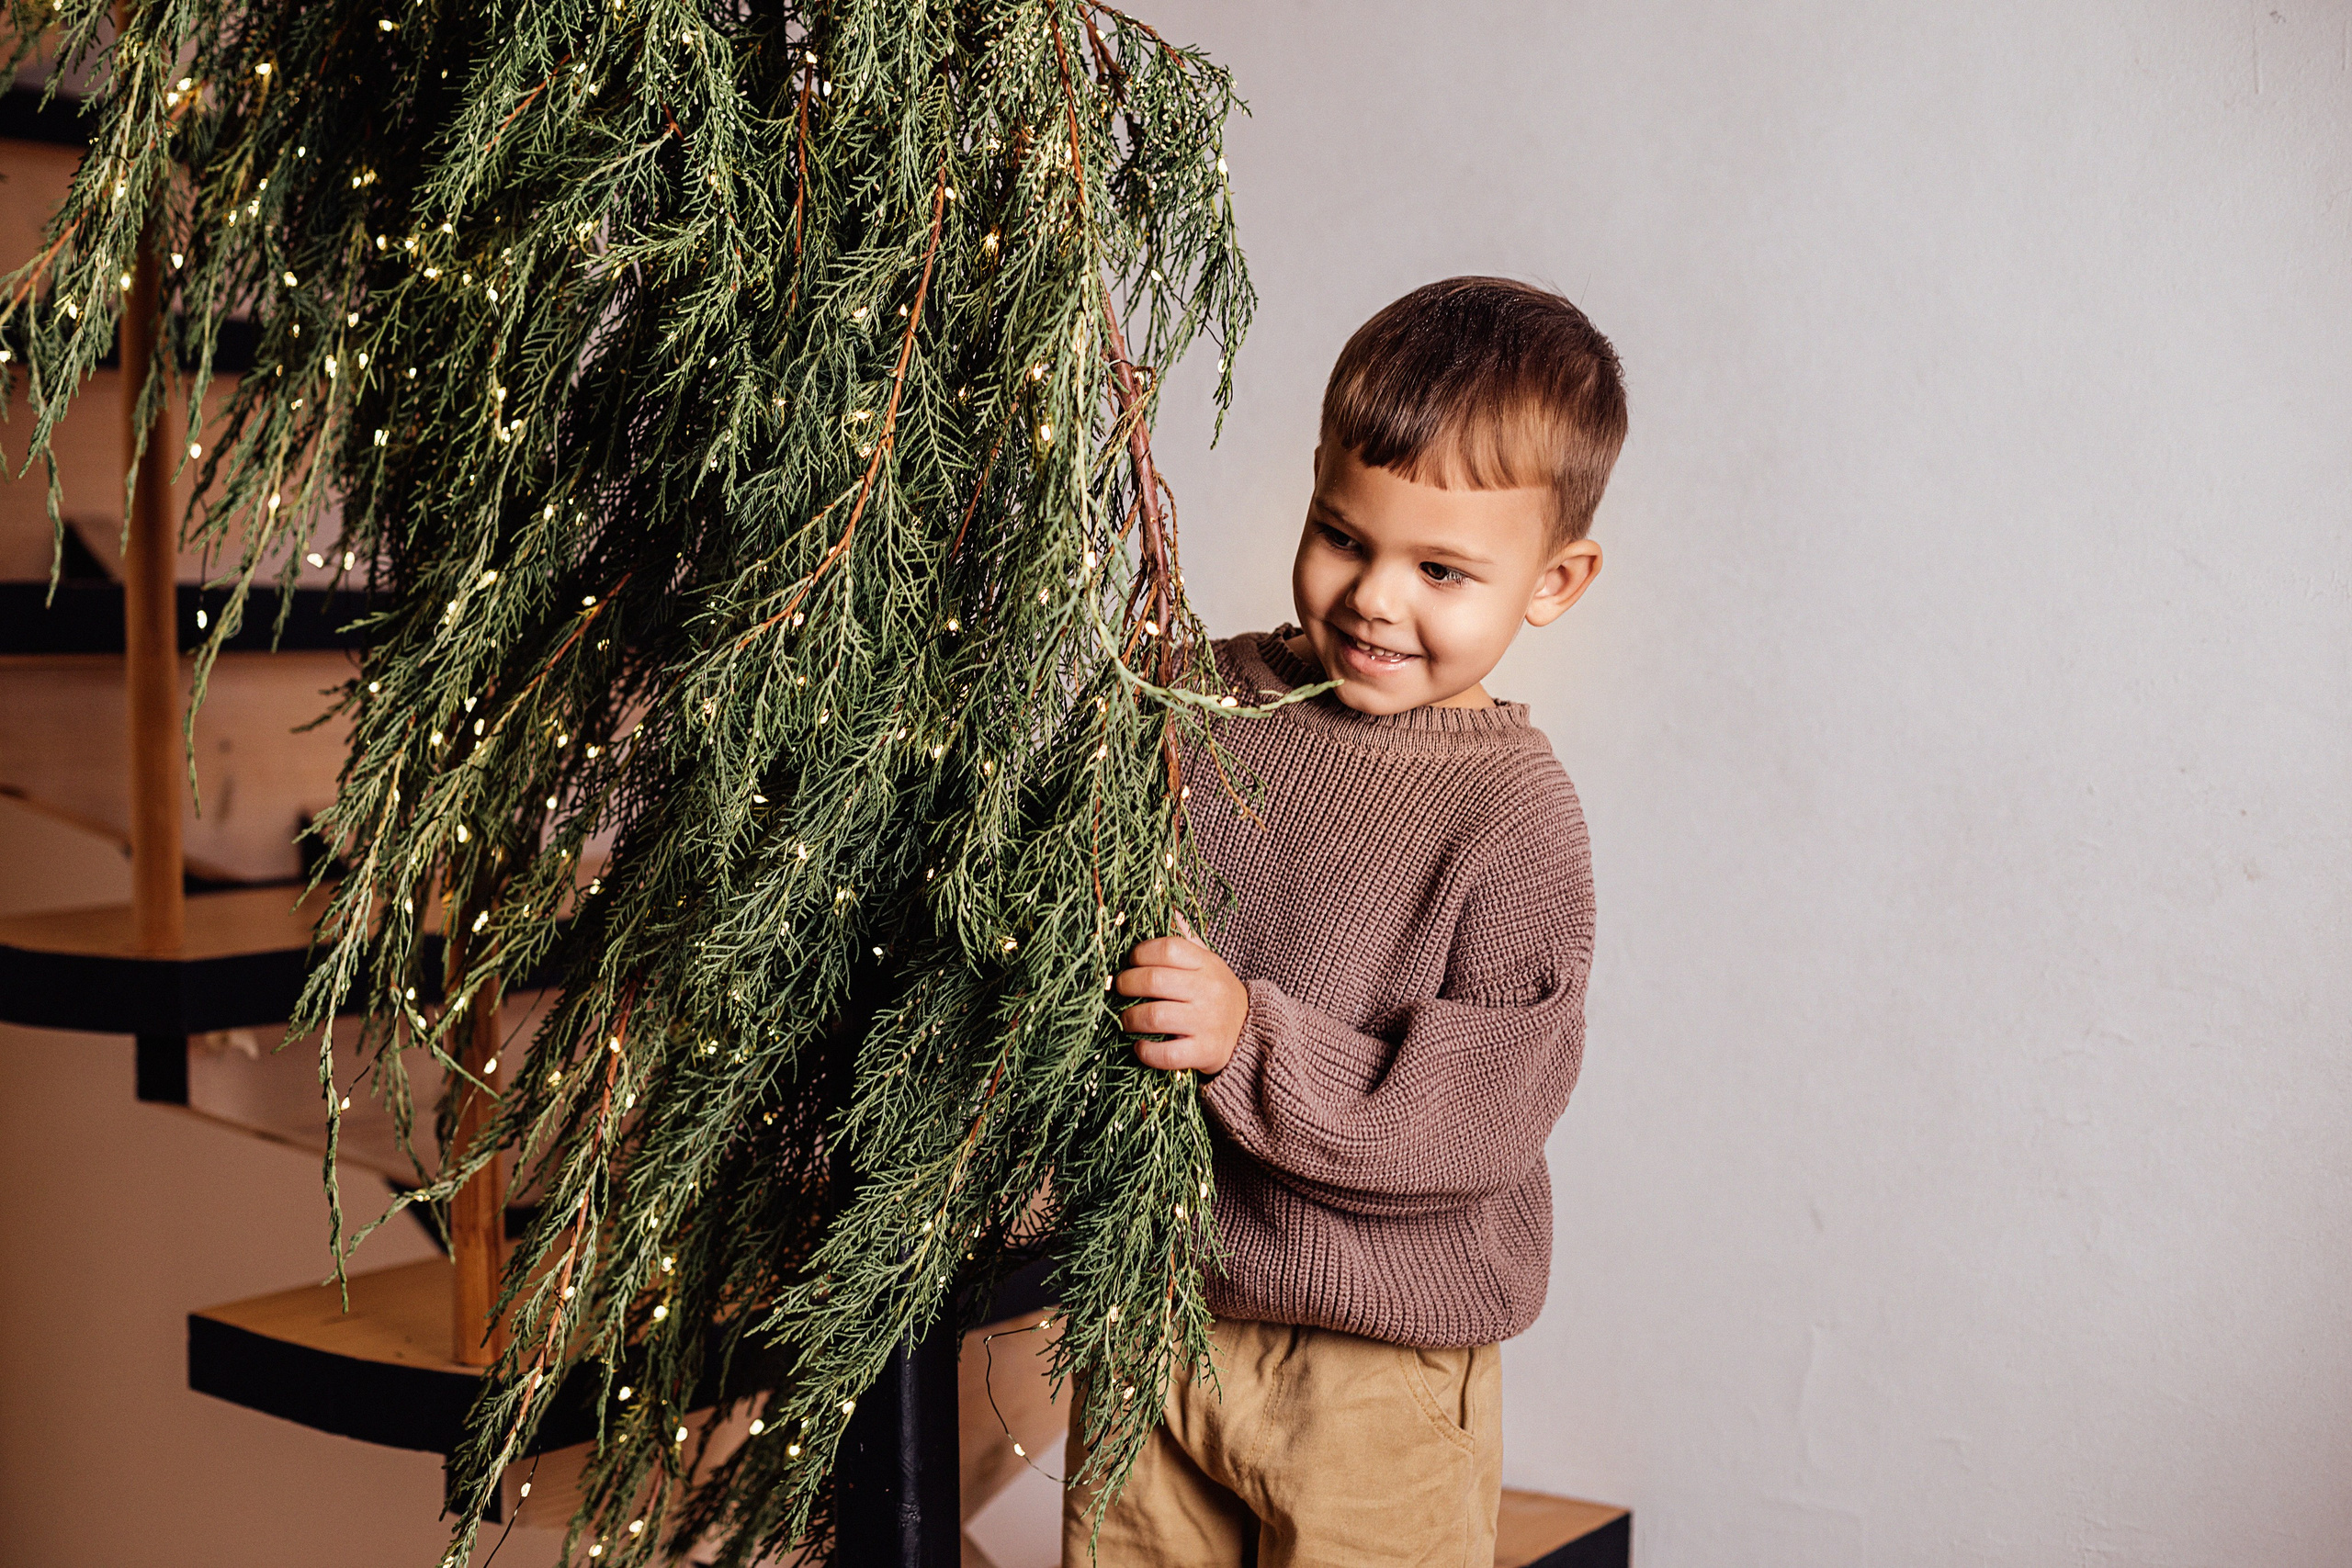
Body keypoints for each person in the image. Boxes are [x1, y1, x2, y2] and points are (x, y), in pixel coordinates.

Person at [1060, 276, 1628, 1568]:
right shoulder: (1199, 703)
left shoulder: (1515, 817)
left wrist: (1246, 1039)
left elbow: (1477, 1116)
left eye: (1440, 570)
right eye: (1341, 535)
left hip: (1378, 1371)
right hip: (1158, 1310)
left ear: (1554, 582)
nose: (1375, 596)